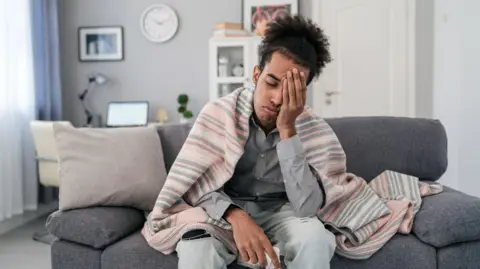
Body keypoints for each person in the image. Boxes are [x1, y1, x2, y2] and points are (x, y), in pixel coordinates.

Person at [176, 14, 335, 269]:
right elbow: (192, 185)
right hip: (225, 209)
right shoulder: (218, 114)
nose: (276, 99)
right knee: (195, 245)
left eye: (291, 90)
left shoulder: (312, 128)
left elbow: (307, 207)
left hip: (282, 211)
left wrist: (287, 129)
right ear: (256, 75)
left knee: (315, 239)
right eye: (271, 83)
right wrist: (234, 214)